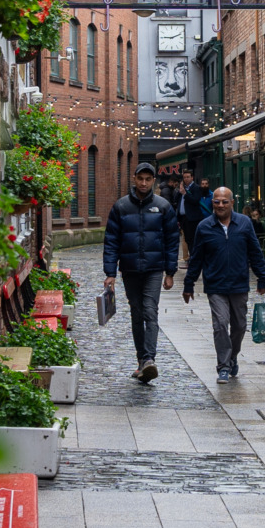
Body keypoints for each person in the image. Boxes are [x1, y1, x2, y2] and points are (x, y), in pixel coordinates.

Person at [101, 159, 179, 381]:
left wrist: (170, 272)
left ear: (153, 181)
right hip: (130, 269)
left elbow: (172, 240)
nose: (143, 183)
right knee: (136, 314)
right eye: (140, 179)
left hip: (154, 269)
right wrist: (110, 273)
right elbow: (111, 241)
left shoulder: (163, 207)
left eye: (148, 179)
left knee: (149, 311)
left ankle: (149, 359)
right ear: (134, 179)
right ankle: (141, 361)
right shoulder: (121, 206)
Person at [183, 185, 265, 384]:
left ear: (232, 203)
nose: (220, 205)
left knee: (239, 326)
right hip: (215, 285)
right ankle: (223, 366)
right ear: (212, 203)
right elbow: (196, 258)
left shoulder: (245, 223)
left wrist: (262, 277)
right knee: (221, 324)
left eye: (224, 201)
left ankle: (232, 357)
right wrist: (189, 284)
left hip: (239, 284)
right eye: (216, 201)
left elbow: (255, 252)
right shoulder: (204, 227)